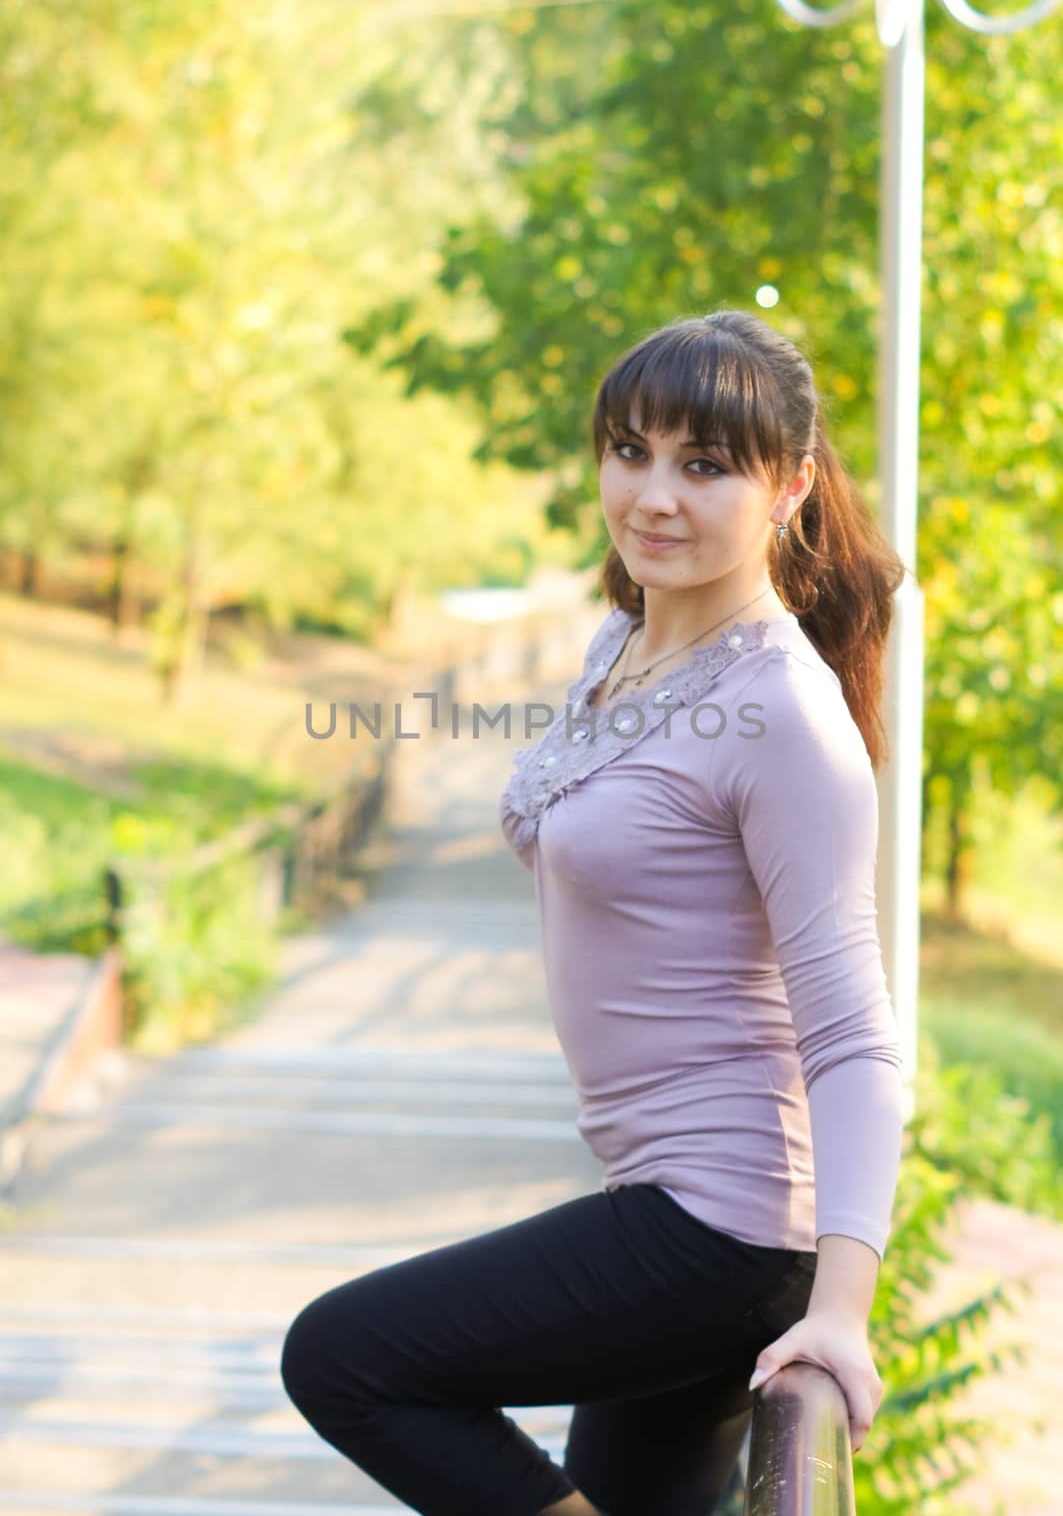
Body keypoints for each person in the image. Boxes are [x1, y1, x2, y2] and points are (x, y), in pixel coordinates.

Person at [279, 309, 910, 1516]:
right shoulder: (624, 642)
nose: (654, 496)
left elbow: (851, 1032)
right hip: (662, 1200)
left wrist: (841, 1309)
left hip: (720, 1231)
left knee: (346, 1356)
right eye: (630, 450)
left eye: (706, 464)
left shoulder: (784, 713)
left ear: (789, 488)